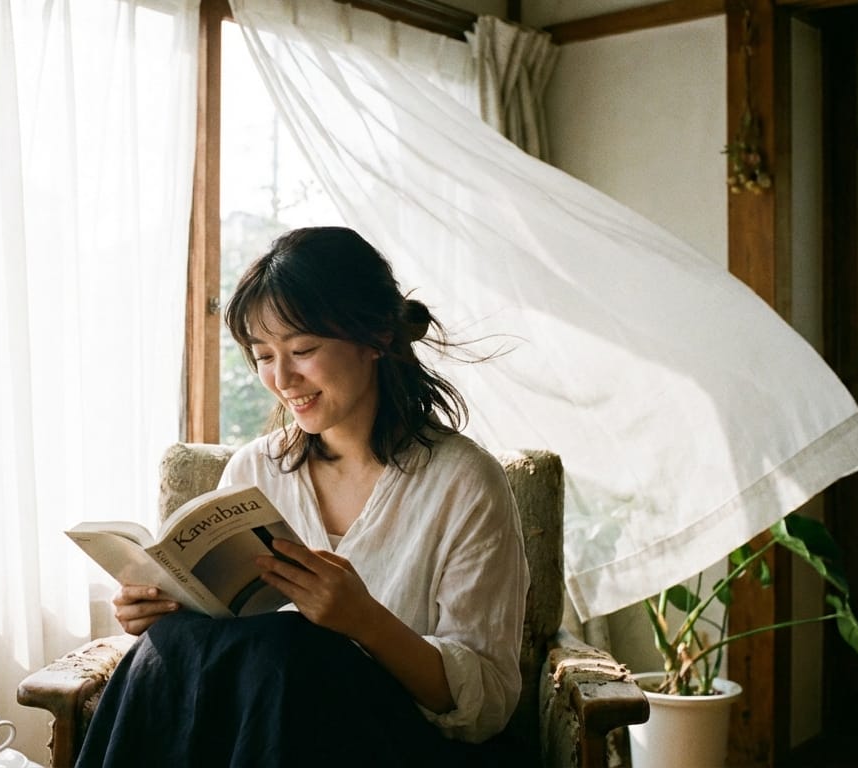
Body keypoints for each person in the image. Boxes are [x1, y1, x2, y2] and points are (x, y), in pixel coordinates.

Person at [77, 226, 529, 767]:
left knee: (295, 646)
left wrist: (364, 621)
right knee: (174, 641)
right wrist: (162, 610)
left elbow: (488, 706)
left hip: (402, 750)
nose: (282, 378)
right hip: (258, 741)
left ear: (375, 339)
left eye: (303, 350)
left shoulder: (464, 483)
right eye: (263, 356)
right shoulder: (254, 470)